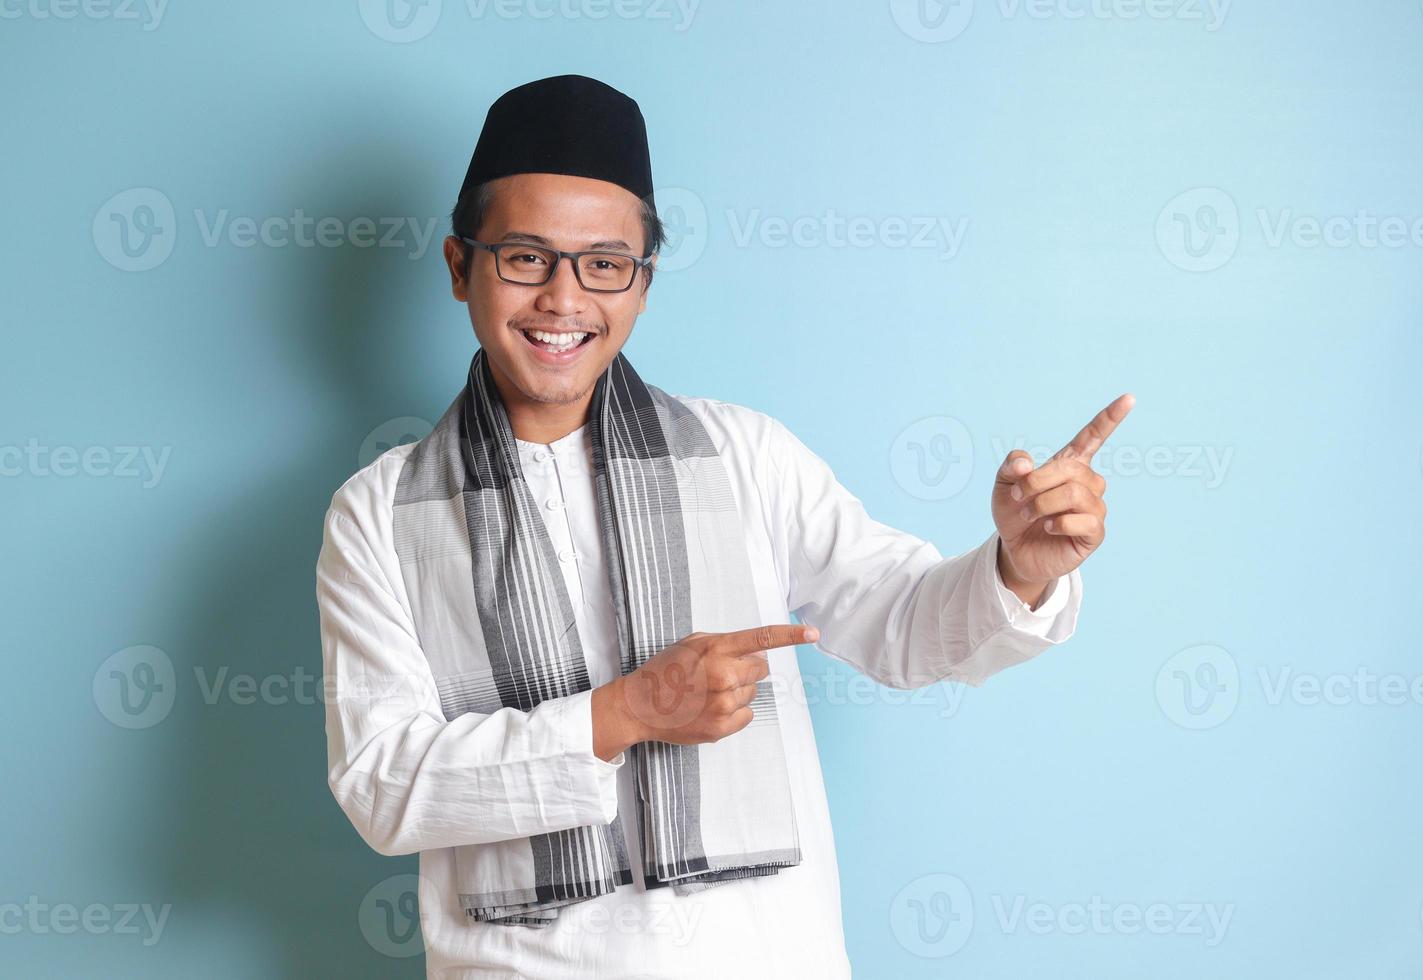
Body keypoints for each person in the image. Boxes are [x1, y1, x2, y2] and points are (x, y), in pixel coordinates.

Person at [315, 73, 1133, 980]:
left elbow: (902, 625)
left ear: (643, 284)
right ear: (460, 265)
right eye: (525, 257)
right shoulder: (377, 514)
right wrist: (621, 713)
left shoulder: (741, 453)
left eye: (604, 264)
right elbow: (382, 784)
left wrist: (1019, 568)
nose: (563, 297)